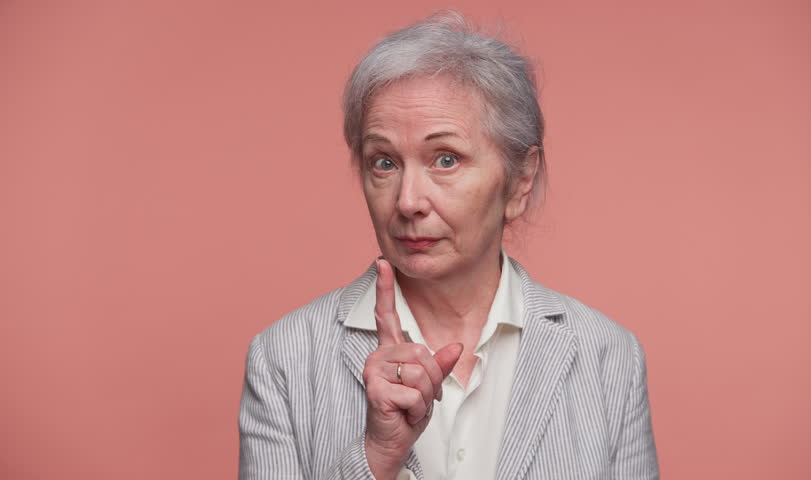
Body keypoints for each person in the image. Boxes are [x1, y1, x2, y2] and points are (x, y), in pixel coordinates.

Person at [238, 11, 659, 480]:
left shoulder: (607, 355)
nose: (408, 201)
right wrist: (376, 457)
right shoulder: (285, 356)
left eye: (445, 159)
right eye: (383, 162)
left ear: (520, 180)